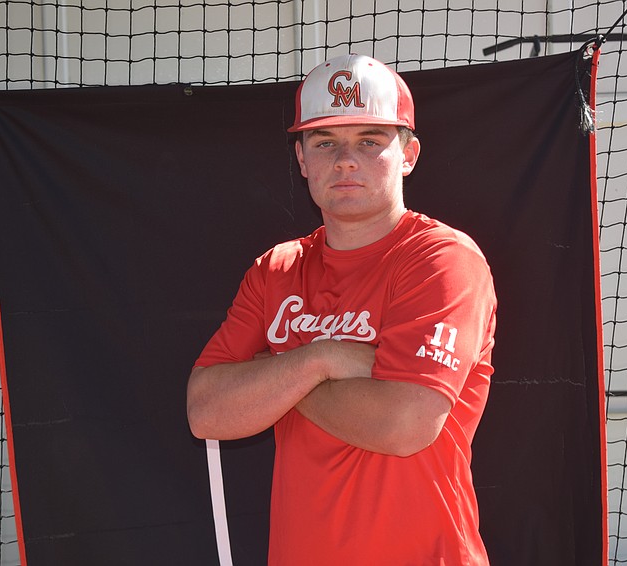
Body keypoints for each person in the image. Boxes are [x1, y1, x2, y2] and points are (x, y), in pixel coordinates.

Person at [187, 53, 497, 565]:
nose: (345, 160)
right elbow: (206, 411)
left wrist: (281, 376)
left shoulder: (442, 259)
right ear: (303, 159)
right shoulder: (276, 269)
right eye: (325, 142)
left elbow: (403, 425)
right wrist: (323, 359)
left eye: (369, 141)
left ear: (409, 154)